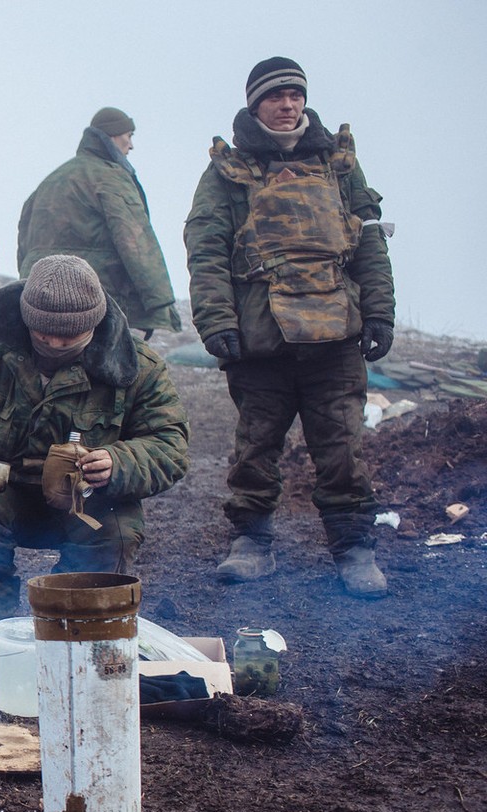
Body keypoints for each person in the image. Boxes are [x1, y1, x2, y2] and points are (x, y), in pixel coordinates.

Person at [184, 57, 396, 597]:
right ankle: (251, 542)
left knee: (343, 448)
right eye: (276, 97)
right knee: (255, 448)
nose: (288, 105)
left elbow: (369, 240)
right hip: (261, 339)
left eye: (295, 96)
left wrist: (379, 311)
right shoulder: (225, 173)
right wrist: (216, 322)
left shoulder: (340, 164)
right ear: (255, 104)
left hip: (335, 336)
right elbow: (205, 250)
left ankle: (354, 549)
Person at [0, 255, 189, 632]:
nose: (54, 342)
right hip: (3, 494)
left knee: (115, 529)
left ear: (93, 323)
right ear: (27, 319)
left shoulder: (137, 366)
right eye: (43, 333)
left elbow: (169, 441)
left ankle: (77, 631)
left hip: (88, 502)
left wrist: (119, 462)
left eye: (69, 336)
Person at [18, 107, 181, 338]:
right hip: (96, 298)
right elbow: (135, 239)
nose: (131, 145)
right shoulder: (110, 177)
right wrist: (159, 303)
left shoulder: (51, 181)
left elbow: (24, 243)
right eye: (129, 136)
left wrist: (27, 286)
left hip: (42, 297)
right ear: (113, 136)